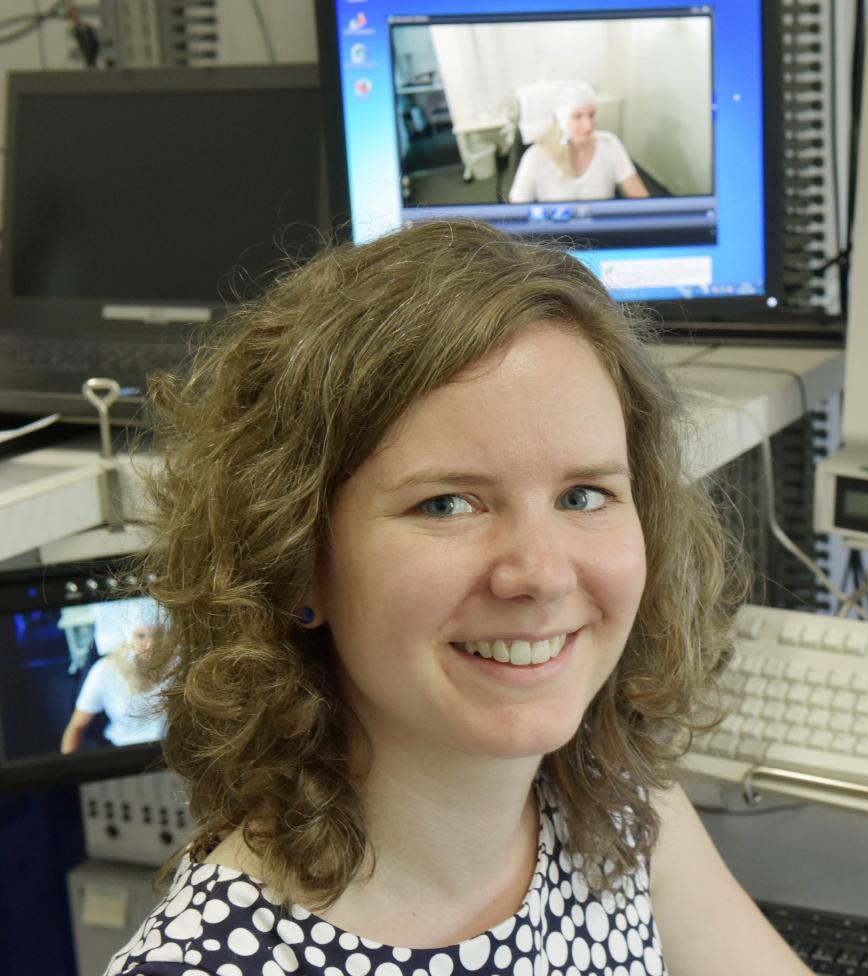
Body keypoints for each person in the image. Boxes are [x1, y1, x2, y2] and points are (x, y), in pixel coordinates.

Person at [106, 220, 812, 975]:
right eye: (447, 504)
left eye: (583, 494)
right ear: (296, 565)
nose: (540, 573)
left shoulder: (614, 807)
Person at [508, 81, 650, 204]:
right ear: (561, 119)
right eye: (577, 117)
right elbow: (515, 214)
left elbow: (641, 199)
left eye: (592, 114)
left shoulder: (610, 145)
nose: (588, 126)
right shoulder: (536, 156)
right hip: (555, 235)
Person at [59, 620, 164, 753]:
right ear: (127, 637)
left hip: (172, 750)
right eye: (141, 636)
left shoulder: (178, 663)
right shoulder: (104, 670)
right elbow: (76, 727)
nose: (150, 644)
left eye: (158, 635)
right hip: (125, 752)